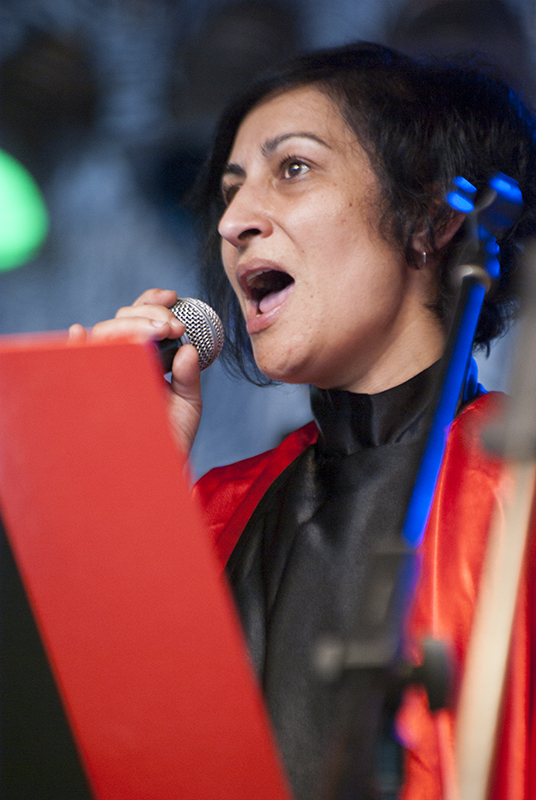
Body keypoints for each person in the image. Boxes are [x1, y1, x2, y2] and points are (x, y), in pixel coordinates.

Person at [69, 42, 536, 800]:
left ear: (432, 217)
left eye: (293, 168)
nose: (233, 223)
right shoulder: (216, 510)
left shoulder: (521, 481)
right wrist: (130, 489)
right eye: (230, 192)